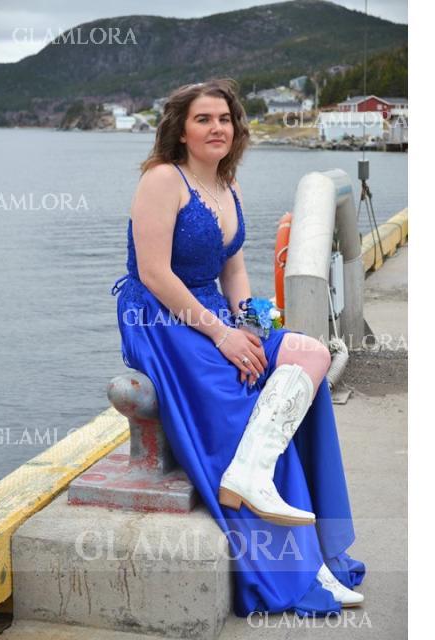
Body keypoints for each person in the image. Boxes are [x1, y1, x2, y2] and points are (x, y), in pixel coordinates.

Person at [112, 78, 366, 617]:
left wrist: (253, 326)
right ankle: (303, 567)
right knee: (247, 397)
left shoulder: (230, 186)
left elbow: (234, 273)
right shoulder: (163, 179)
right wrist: (223, 335)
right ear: (181, 130)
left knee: (309, 355)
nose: (217, 128)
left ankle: (252, 473)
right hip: (162, 317)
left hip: (216, 310)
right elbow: (154, 274)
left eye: (224, 119)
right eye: (203, 119)